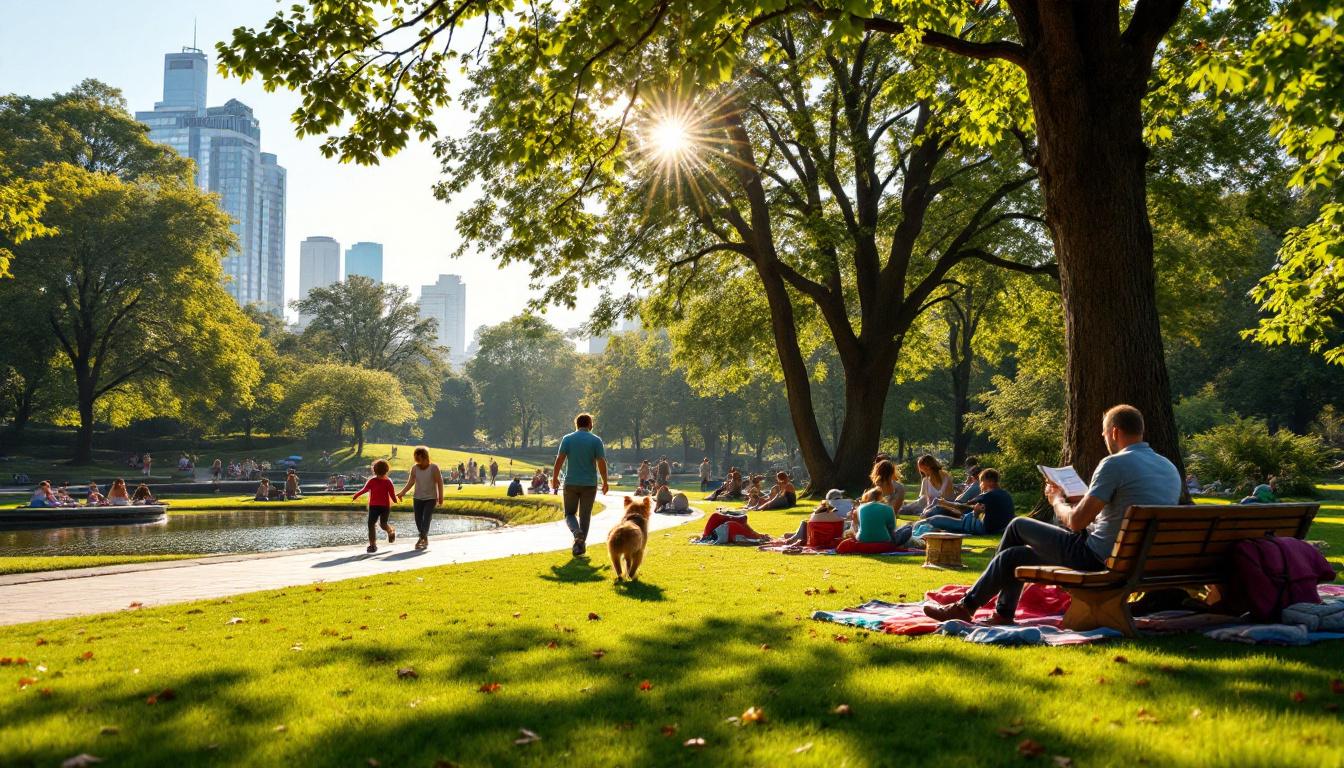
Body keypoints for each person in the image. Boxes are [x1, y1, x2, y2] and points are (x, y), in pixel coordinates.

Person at [923, 404, 1181, 625]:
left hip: (1097, 557)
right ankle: (986, 609)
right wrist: (1082, 500)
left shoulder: (1114, 464)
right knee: (1014, 556)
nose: (1105, 439)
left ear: (1114, 431)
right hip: (1140, 560)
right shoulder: (1168, 467)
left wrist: (1057, 501)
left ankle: (974, 607)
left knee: (1017, 525)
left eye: (1104, 434)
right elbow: (1120, 508)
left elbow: (1077, 521)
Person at [552, 412, 609, 557]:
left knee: (569, 514)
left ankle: (577, 535)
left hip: (571, 482)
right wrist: (605, 481)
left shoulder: (567, 439)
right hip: (589, 484)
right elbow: (601, 462)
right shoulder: (596, 440)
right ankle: (580, 543)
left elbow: (560, 459)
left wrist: (554, 477)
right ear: (590, 424)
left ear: (576, 424)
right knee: (585, 516)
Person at [914, 467, 1015, 537]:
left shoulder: (989, 495)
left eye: (981, 482)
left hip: (978, 528)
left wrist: (943, 503)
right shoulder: (1006, 495)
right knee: (938, 517)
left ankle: (912, 529)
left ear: (990, 481)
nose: (980, 485)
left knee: (933, 520)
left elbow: (963, 507)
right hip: (996, 529)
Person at [836, 488, 914, 554]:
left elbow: (859, 528)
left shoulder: (860, 508)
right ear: (881, 498)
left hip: (862, 539)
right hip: (884, 541)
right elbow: (892, 529)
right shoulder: (888, 508)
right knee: (908, 529)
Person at [398, 446, 444, 550]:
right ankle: (424, 538)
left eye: (420, 459)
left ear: (425, 457)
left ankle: (421, 539)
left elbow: (440, 483)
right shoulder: (415, 468)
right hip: (417, 498)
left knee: (426, 518)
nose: (418, 462)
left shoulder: (434, 468)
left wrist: (441, 496)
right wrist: (402, 493)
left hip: (431, 498)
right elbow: (411, 482)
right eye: (416, 460)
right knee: (418, 520)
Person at [353, 459, 398, 553]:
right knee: (374, 524)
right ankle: (373, 545)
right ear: (386, 470)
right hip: (378, 506)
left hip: (381, 507)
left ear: (374, 470)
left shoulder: (387, 482)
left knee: (379, 524)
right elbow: (365, 489)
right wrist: (357, 495)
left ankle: (390, 532)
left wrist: (357, 495)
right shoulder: (374, 481)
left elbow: (364, 490)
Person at [774, 500, 848, 549]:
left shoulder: (815, 518)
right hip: (832, 539)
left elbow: (810, 522)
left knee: (804, 522)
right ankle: (794, 536)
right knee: (804, 523)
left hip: (815, 540)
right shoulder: (836, 517)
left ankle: (794, 537)